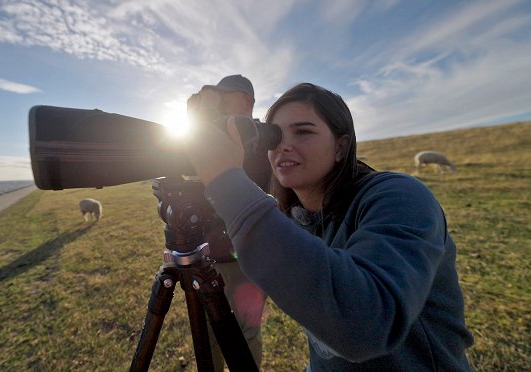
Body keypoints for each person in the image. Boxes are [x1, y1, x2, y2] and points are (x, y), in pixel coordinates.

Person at [184, 82, 474, 371]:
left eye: (304, 131)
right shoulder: (297, 216)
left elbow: (365, 326)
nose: (284, 145)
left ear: (341, 145)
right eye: (274, 137)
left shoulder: (401, 197)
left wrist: (227, 183)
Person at [186, 75, 269, 370]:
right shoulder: (213, 136)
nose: (218, 103)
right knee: (208, 333)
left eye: (224, 96)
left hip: (247, 258)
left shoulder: (262, 137)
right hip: (207, 257)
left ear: (246, 100)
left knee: (246, 333)